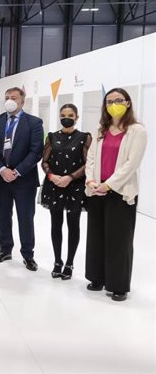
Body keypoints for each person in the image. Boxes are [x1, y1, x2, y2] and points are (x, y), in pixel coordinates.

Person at [84, 88, 147, 302]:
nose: (114, 104)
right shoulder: (101, 129)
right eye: (109, 101)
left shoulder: (137, 131)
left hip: (120, 193)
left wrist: (108, 185)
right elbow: (91, 159)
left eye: (119, 100)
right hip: (96, 190)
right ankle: (97, 277)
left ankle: (118, 285)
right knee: (96, 236)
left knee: (119, 240)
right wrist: (91, 181)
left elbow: (131, 164)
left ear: (128, 103)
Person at [0, 87, 43, 271]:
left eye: (13, 97)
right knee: (3, 215)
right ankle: (5, 249)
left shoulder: (34, 123)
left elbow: (36, 151)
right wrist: (2, 169)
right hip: (1, 178)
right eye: (7, 97)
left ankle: (28, 254)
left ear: (22, 101)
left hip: (24, 180)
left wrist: (17, 171)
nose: (9, 100)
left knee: (25, 218)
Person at [40, 104, 91, 280]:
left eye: (70, 115)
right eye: (63, 115)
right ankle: (57, 261)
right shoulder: (52, 137)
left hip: (75, 186)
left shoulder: (84, 137)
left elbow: (88, 163)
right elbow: (45, 161)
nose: (66, 118)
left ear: (76, 117)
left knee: (73, 223)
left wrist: (69, 177)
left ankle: (69, 263)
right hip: (54, 184)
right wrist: (51, 175)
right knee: (56, 224)